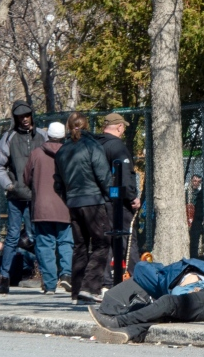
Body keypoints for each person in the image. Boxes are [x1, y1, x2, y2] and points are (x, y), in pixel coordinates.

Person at [54, 112, 112, 304]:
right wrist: (109, 196)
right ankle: (89, 287)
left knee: (79, 246)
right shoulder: (92, 145)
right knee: (102, 244)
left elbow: (58, 183)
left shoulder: (62, 150)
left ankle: (76, 291)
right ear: (86, 125)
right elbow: (103, 174)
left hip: (73, 202)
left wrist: (68, 198)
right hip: (93, 201)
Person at [0, 100, 47, 294]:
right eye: (20, 116)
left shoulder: (42, 136)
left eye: (27, 115)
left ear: (32, 115)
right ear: (15, 118)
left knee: (39, 236)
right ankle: (4, 279)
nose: (24, 119)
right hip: (17, 195)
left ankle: (46, 279)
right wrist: (9, 185)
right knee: (14, 235)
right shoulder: (9, 138)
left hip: (38, 195)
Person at [24, 122, 73, 294]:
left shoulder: (36, 154)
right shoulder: (69, 153)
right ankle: (67, 274)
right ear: (63, 136)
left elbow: (26, 178)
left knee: (45, 246)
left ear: (48, 135)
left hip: (42, 208)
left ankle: (50, 284)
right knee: (66, 242)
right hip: (65, 207)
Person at [96, 112, 141, 281]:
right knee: (127, 239)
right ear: (120, 127)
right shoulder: (117, 146)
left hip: (98, 200)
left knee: (105, 239)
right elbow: (124, 175)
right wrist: (132, 197)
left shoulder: (96, 144)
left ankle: (104, 279)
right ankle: (138, 278)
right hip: (118, 202)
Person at [187, 174, 204, 258]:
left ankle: (202, 252)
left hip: (196, 219)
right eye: (194, 181)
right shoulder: (186, 193)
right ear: (191, 181)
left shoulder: (200, 194)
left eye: (198, 182)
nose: (196, 183)